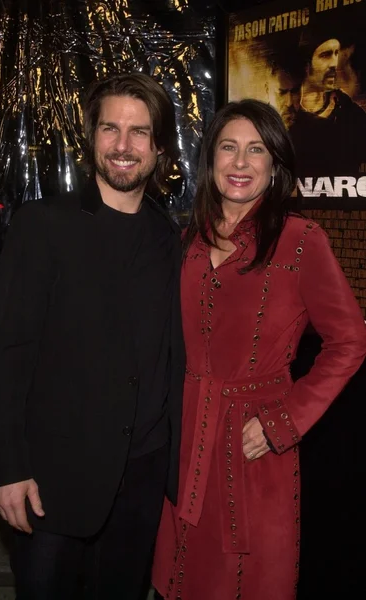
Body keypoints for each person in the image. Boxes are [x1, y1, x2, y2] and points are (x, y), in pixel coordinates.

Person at [152, 99, 366, 600]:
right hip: (184, 440)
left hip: (254, 445)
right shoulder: (187, 239)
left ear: (275, 167)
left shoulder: (301, 241)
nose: (241, 162)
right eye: (229, 147)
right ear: (211, 160)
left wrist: (282, 421)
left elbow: (350, 340)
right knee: (180, 579)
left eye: (257, 150)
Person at [0, 72, 185, 599]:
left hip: (141, 484)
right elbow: (8, 354)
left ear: (159, 148)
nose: (123, 146)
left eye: (139, 132)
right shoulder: (43, 225)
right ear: (91, 137)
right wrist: (7, 469)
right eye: (110, 129)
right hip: (53, 484)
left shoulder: (172, 240)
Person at [290, 36, 366, 176]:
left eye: (336, 53)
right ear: (306, 65)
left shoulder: (352, 115)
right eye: (325, 55)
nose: (334, 63)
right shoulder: (284, 110)